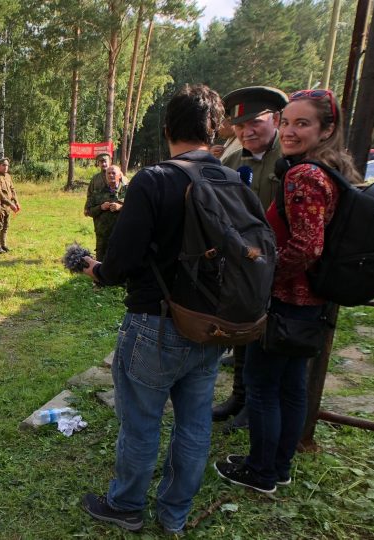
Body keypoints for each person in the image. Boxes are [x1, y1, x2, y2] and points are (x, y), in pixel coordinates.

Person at [78, 84, 228, 534]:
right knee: (195, 425)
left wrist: (92, 268)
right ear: (214, 130)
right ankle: (174, 513)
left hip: (155, 324)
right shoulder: (228, 179)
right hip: (211, 325)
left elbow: (119, 264)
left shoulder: (154, 179)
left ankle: (125, 506)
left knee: (141, 423)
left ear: (166, 129)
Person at [214, 89, 360, 495]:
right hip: (309, 300)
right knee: (292, 385)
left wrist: (265, 275)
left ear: (326, 129)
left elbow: (306, 247)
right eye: (289, 122)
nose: (292, 131)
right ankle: (279, 466)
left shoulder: (305, 175)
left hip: (286, 300)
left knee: (262, 387)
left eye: (304, 123)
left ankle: (261, 471)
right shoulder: (327, 168)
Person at [214, 86, 289, 431]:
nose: (246, 132)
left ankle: (256, 405)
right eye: (239, 126)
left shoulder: (291, 158)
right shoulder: (231, 160)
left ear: (275, 120)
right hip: (245, 264)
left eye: (255, 123)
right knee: (244, 327)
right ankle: (239, 397)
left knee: (271, 337)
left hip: (285, 266)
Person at [87, 165, 127, 261]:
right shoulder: (97, 192)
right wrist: (100, 207)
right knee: (101, 264)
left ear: (120, 176)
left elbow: (137, 208)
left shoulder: (128, 191)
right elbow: (88, 211)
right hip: (102, 237)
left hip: (122, 235)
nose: (111, 175)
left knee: (121, 261)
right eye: (108, 173)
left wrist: (121, 207)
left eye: (114, 173)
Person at [0, 157, 20, 253]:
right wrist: (11, 204)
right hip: (0, 205)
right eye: (3, 165)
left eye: (7, 165)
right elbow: (0, 194)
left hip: (8, 206)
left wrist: (16, 201)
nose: (6, 167)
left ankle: (4, 244)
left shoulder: (8, 176)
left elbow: (12, 189)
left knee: (6, 226)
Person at [83, 153, 112, 217]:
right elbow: (90, 194)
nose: (103, 164)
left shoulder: (117, 175)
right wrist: (87, 207)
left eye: (105, 161)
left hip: (114, 213)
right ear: (98, 163)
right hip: (99, 213)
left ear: (110, 161)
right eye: (101, 162)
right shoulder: (95, 179)